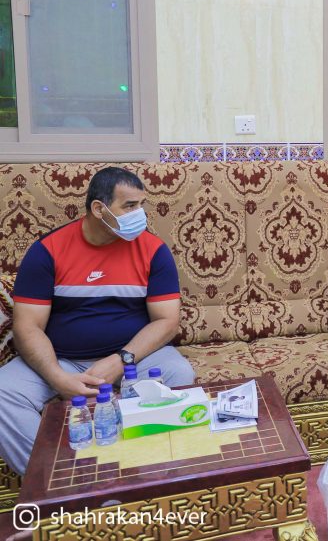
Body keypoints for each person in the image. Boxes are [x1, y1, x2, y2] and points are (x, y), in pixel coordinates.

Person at [0, 167, 194, 475]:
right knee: (2, 392)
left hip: (133, 357)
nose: (140, 215)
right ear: (99, 209)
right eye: (129, 206)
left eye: (141, 205)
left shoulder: (153, 250)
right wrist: (57, 378)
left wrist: (121, 360)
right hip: (62, 359)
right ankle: (61, 484)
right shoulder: (47, 251)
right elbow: (27, 327)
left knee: (179, 372)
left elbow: (167, 321)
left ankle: (146, 477)